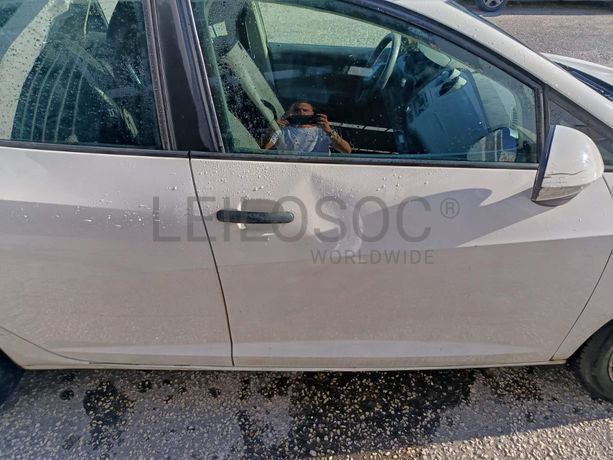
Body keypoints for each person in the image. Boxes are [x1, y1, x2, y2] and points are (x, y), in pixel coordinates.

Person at [262, 101, 352, 154]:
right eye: (296, 110)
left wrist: (329, 130)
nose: (301, 112)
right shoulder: (282, 130)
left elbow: (347, 150)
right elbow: (264, 148)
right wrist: (274, 127)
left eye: (305, 110)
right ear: (290, 113)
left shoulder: (322, 131)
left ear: (313, 113)